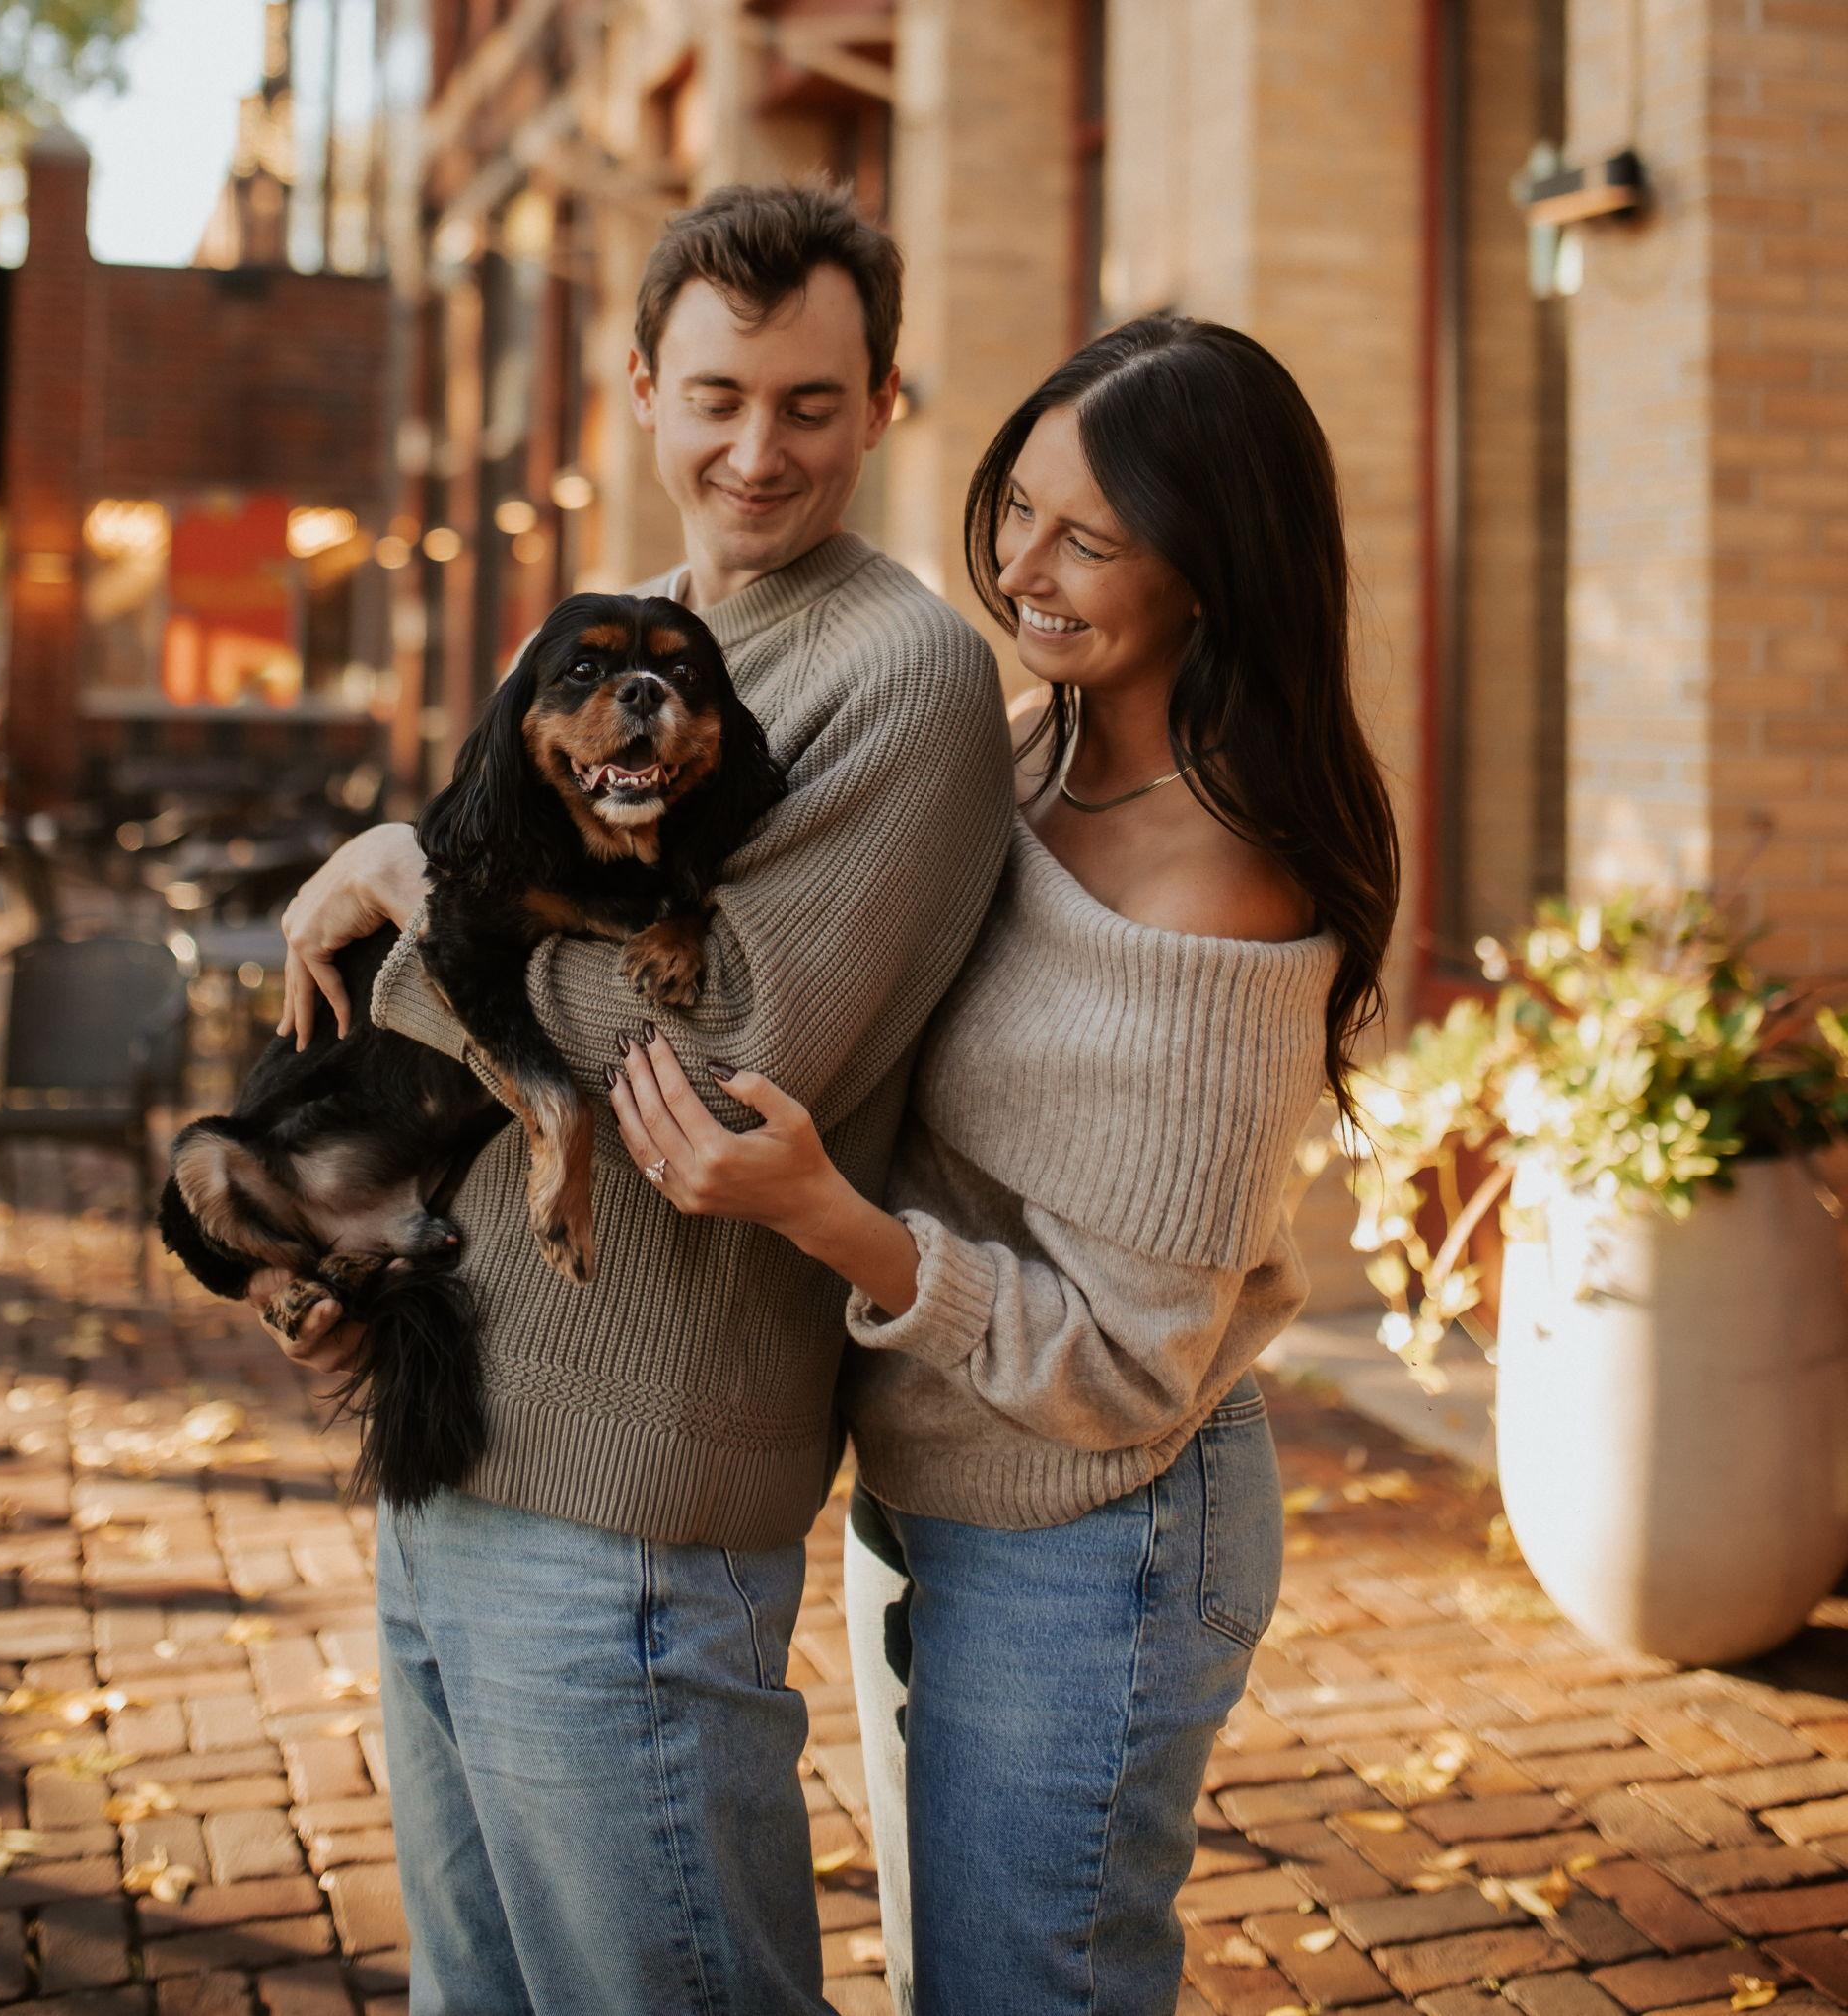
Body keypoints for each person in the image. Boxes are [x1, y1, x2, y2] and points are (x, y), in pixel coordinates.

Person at [260, 184, 1012, 2015]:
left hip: (633, 1511)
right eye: (719, 397)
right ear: (644, 391)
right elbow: (486, 929)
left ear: (883, 402)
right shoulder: (607, 637)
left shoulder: (902, 673)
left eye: (812, 404)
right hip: (451, 1433)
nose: (758, 451)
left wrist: (405, 885)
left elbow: (719, 1052)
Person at [604, 314, 1402, 2014]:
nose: (1025, 569)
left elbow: (1131, 1362)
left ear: (1212, 569)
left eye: (1088, 540)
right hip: (934, 1479)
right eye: (1019, 509)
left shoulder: (1220, 888)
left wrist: (831, 1218)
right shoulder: (1030, 751)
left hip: (1100, 1531)